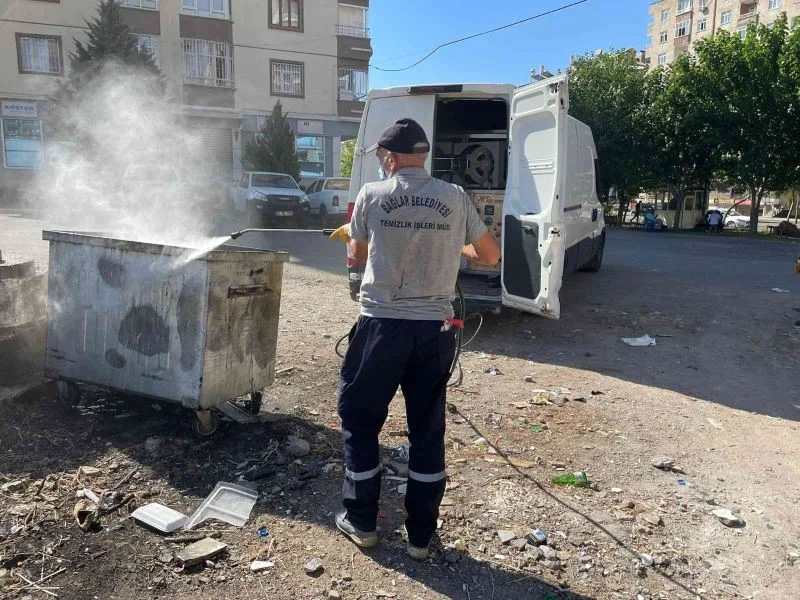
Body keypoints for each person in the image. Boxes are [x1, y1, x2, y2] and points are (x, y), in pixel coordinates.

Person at [335, 118, 501, 560]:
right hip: (435, 331)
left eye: (380, 157)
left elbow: (357, 255)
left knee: (360, 418)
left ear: (389, 157)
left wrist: (357, 239)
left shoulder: (372, 195)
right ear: (422, 155)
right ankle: (421, 537)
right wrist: (456, 248)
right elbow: (490, 256)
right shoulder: (456, 196)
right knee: (427, 430)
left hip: (380, 327)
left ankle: (363, 522)